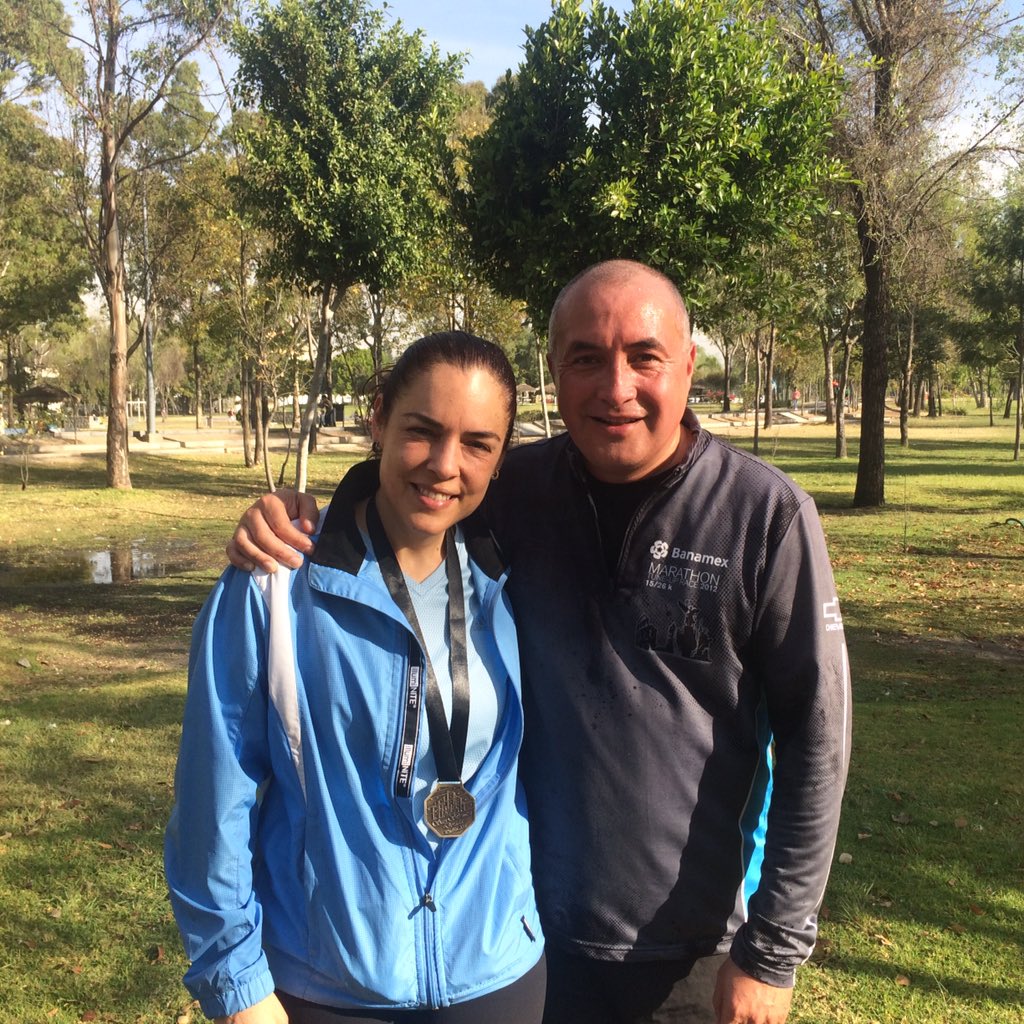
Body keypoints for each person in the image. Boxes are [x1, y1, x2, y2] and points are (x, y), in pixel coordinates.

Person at [226, 261, 852, 1024]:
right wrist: (294, 519)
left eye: (644, 357)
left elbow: (817, 742)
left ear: (688, 365)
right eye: (585, 358)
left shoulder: (765, 517)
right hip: (523, 944)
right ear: (555, 372)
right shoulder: (510, 490)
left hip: (692, 951)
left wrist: (774, 948)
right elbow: (409, 495)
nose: (614, 387)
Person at [165, 332, 546, 1024]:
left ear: (501, 455)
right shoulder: (274, 586)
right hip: (326, 985)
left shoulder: (515, 580)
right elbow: (211, 805)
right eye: (422, 432)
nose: (444, 465)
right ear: (378, 418)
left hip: (498, 974)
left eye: (477, 443)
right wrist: (237, 986)